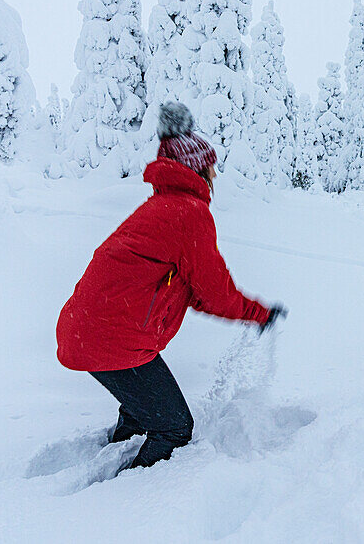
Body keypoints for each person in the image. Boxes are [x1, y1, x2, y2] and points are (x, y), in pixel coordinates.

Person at [56, 102, 285, 469]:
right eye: (212, 167)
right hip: (112, 339)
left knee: (140, 414)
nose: (215, 175)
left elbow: (192, 290)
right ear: (198, 169)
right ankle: (121, 502)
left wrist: (249, 312)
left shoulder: (163, 206)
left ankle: (116, 450)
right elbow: (214, 292)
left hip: (90, 331)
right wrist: (257, 314)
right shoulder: (187, 213)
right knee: (175, 429)